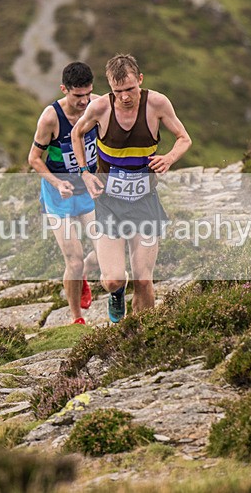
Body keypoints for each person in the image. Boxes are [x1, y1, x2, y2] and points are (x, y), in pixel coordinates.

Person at [71, 54, 192, 323]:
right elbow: (76, 134)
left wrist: (169, 158)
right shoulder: (100, 108)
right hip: (109, 203)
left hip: (144, 202)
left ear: (140, 80)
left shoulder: (157, 104)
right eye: (118, 91)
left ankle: (140, 335)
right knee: (113, 279)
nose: (125, 97)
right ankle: (116, 294)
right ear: (110, 88)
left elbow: (184, 138)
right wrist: (85, 174)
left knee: (144, 279)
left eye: (130, 89)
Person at [28, 62, 100, 325]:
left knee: (105, 253)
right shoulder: (51, 117)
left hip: (89, 191)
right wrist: (57, 183)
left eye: (87, 94)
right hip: (59, 196)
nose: (83, 102)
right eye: (77, 95)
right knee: (74, 260)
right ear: (64, 90)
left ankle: (82, 277)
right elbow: (34, 158)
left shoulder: (99, 106)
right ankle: (76, 318)